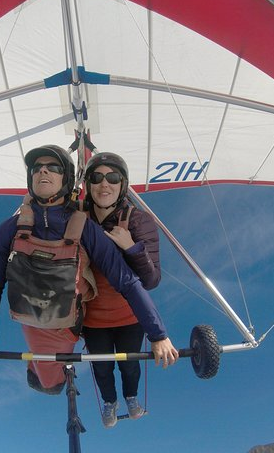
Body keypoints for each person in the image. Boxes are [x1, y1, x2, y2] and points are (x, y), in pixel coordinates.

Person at [0, 145, 178, 396]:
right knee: (49, 382)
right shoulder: (10, 229)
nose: (43, 170)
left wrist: (158, 335)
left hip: (65, 325)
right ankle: (46, 375)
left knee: (67, 377)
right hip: (30, 319)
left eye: (53, 167)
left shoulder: (85, 226)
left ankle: (62, 378)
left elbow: (128, 281)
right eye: (37, 168)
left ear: (66, 178)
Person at [81, 152, 161, 428]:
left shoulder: (139, 221)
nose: (105, 184)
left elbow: (151, 280)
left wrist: (131, 247)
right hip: (92, 319)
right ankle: (109, 402)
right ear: (88, 185)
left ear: (122, 184)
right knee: (101, 367)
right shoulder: (76, 218)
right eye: (97, 177)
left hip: (129, 315)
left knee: (129, 364)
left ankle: (131, 397)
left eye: (113, 177)